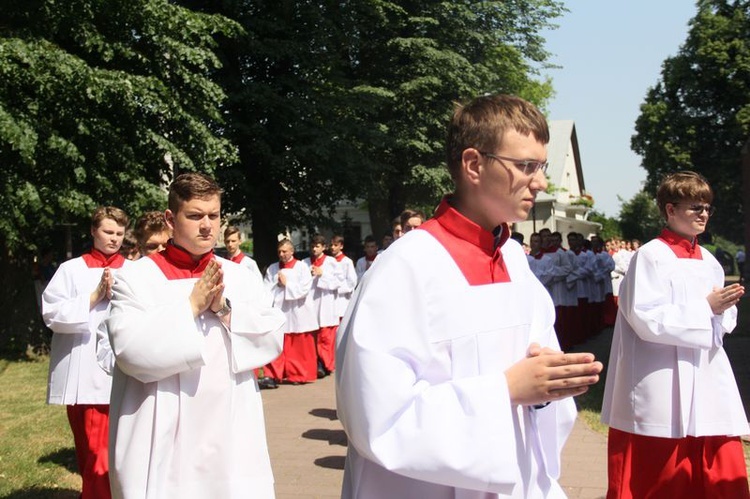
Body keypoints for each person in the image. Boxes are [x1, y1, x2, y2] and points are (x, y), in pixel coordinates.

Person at [336, 94, 603, 498]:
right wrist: (507, 390)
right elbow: (376, 416)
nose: (541, 182)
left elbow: (534, 374)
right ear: (474, 164)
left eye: (542, 166)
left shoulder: (514, 259)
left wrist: (548, 386)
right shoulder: (405, 267)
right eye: (526, 166)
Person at [105, 173, 286, 498]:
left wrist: (224, 309)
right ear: (171, 219)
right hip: (163, 430)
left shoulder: (240, 276)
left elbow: (272, 335)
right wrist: (190, 306)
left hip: (229, 427)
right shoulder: (135, 279)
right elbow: (131, 352)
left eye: (213, 216)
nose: (207, 226)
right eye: (195, 216)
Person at [601, 171, 748, 498]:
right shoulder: (650, 256)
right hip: (660, 375)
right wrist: (705, 308)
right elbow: (643, 316)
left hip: (705, 370)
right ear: (670, 209)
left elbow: (723, 318)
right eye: (696, 207)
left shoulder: (710, 260)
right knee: (663, 470)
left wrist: (723, 309)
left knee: (715, 447)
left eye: (708, 208)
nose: (704, 214)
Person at [43, 205, 130, 499]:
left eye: (119, 233)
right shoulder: (71, 270)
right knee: (89, 451)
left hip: (122, 370)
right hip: (83, 374)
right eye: (108, 231)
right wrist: (92, 297)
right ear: (93, 231)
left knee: (106, 453)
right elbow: (51, 313)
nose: (114, 238)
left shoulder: (133, 270)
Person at [263, 238, 316, 385]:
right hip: (279, 310)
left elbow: (305, 289)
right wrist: (278, 286)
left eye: (284, 251)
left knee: (298, 346)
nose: (281, 254)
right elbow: (266, 289)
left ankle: (298, 374)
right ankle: (273, 374)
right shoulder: (273, 268)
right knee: (277, 343)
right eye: (279, 251)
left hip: (297, 311)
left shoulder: (302, 267)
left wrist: (287, 284)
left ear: (292, 251)